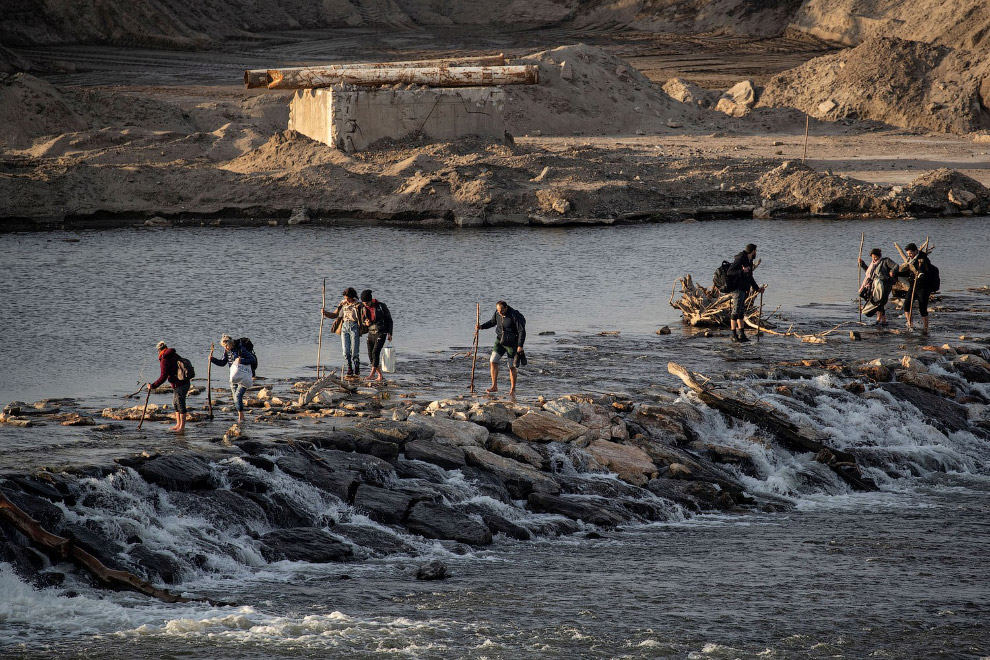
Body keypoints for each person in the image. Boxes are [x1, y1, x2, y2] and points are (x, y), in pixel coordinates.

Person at [476, 301, 526, 396]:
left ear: (506, 307)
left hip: (512, 343)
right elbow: (492, 322)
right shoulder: (497, 313)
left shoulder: (514, 315)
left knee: (511, 366)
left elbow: (521, 331)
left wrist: (520, 346)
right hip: (499, 341)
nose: (499, 312)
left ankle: (512, 389)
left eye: (501, 310)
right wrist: (481, 327)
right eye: (498, 310)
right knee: (493, 361)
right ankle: (494, 386)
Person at [210, 334, 257, 423]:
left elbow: (252, 360)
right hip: (234, 377)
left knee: (237, 397)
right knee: (235, 397)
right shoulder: (227, 351)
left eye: (227, 346)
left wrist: (241, 361)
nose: (226, 348)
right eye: (224, 346)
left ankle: (241, 417)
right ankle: (241, 416)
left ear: (231, 343)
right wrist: (212, 359)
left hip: (243, 377)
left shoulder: (241, 349)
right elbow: (223, 363)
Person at [726, 243, 766, 342]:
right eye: (756, 251)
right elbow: (729, 272)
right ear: (753, 251)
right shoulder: (740, 259)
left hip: (743, 289)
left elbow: (750, 277)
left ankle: (741, 334)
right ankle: (733, 335)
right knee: (735, 311)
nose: (756, 253)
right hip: (737, 289)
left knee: (741, 311)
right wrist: (741, 271)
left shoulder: (749, 260)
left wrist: (757, 289)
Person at [322, 287, 365, 378]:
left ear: (352, 297)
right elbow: (335, 315)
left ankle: (356, 368)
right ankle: (349, 368)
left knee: (354, 351)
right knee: (345, 351)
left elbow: (364, 316)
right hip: (344, 327)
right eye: (345, 298)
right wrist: (325, 313)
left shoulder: (358, 305)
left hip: (354, 327)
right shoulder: (343, 305)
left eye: (348, 298)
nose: (346, 300)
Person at [149, 341, 190, 433]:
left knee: (180, 404)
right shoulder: (174, 354)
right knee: (175, 404)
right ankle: (178, 424)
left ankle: (182, 427)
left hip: (180, 384)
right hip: (182, 383)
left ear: (159, 351)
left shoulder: (164, 359)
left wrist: (153, 386)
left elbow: (163, 376)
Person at [897, 243, 934, 335]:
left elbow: (928, 271)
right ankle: (910, 325)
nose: (909, 255)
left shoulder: (923, 259)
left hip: (923, 288)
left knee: (922, 309)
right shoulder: (910, 260)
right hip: (912, 287)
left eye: (910, 253)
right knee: (906, 306)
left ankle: (925, 328)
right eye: (908, 253)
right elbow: (907, 272)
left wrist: (921, 274)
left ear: (915, 251)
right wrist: (896, 274)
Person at [858, 248, 898, 326]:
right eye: (872, 257)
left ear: (879, 255)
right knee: (865, 296)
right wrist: (862, 264)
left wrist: (892, 271)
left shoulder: (885, 261)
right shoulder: (873, 264)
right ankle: (883, 321)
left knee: (879, 303)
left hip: (885, 286)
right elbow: (869, 273)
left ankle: (879, 321)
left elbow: (896, 266)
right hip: (874, 286)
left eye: (875, 257)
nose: (874, 259)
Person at [359, 289, 393, 382]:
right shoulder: (363, 308)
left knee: (375, 353)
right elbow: (362, 320)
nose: (365, 304)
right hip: (370, 332)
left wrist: (390, 333)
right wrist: (365, 323)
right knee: (370, 355)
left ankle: (372, 374)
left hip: (381, 332)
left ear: (371, 300)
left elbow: (389, 320)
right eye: (363, 303)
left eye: (366, 302)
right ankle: (379, 375)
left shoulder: (381, 306)